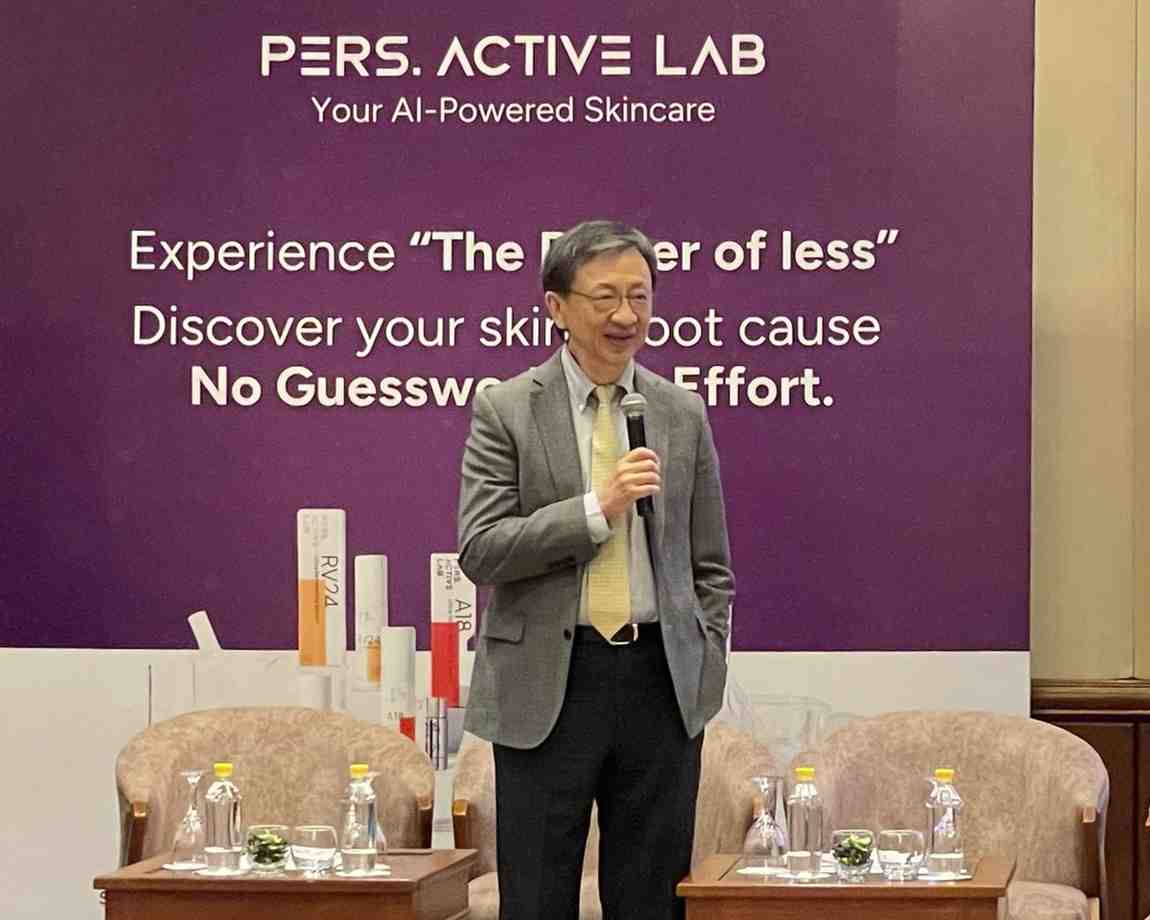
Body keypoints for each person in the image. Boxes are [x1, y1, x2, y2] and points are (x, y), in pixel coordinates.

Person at [457, 220, 734, 920]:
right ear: (556, 306)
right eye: (605, 296)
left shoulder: (681, 412)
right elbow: (482, 547)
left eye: (640, 296)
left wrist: (703, 653)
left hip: (659, 682)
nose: (626, 316)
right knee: (537, 900)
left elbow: (710, 565)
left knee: (652, 900)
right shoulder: (507, 409)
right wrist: (596, 508)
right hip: (549, 684)